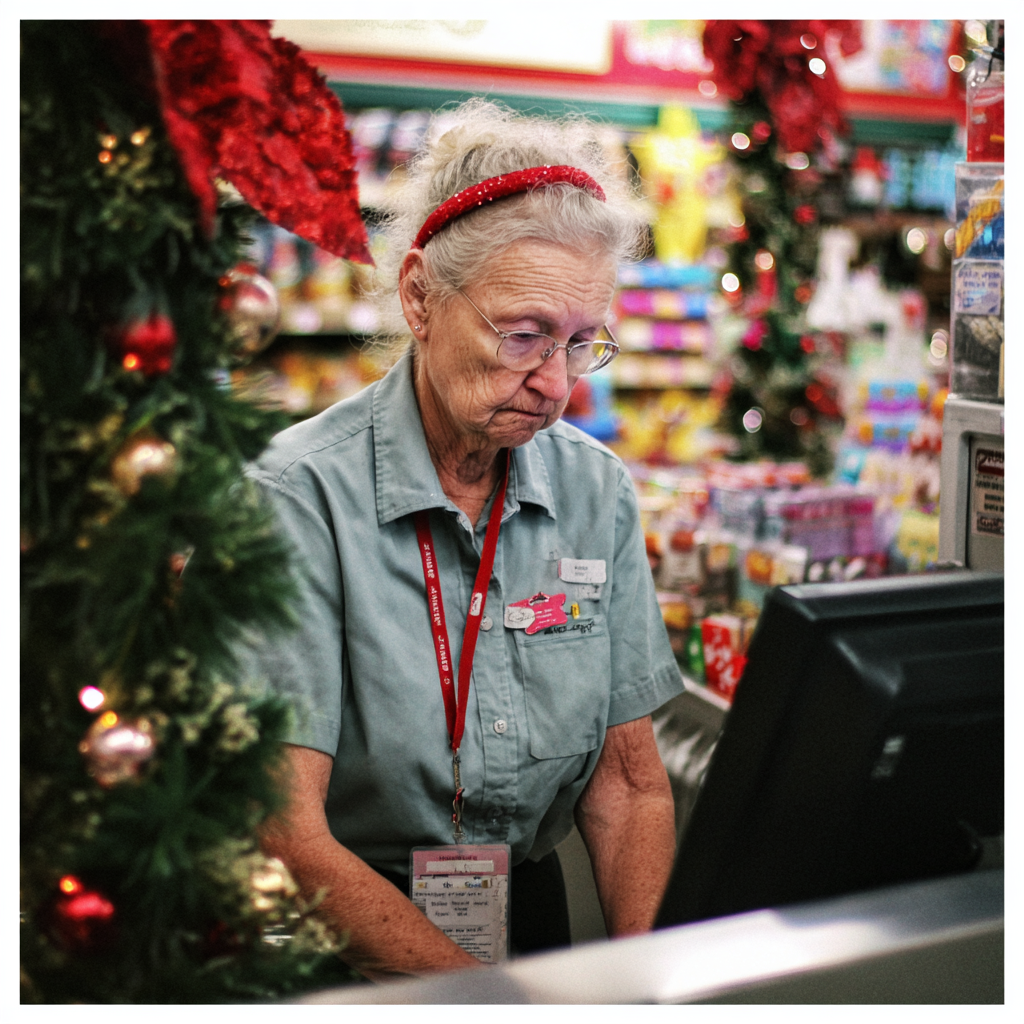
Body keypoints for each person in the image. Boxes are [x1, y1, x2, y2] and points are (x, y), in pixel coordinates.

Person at [247, 100, 682, 981]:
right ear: (419, 297)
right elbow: (284, 828)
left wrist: (650, 986)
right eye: (523, 336)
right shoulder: (297, 497)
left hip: (528, 922)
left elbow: (629, 786)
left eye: (581, 343)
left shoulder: (595, 492)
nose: (555, 384)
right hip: (348, 947)